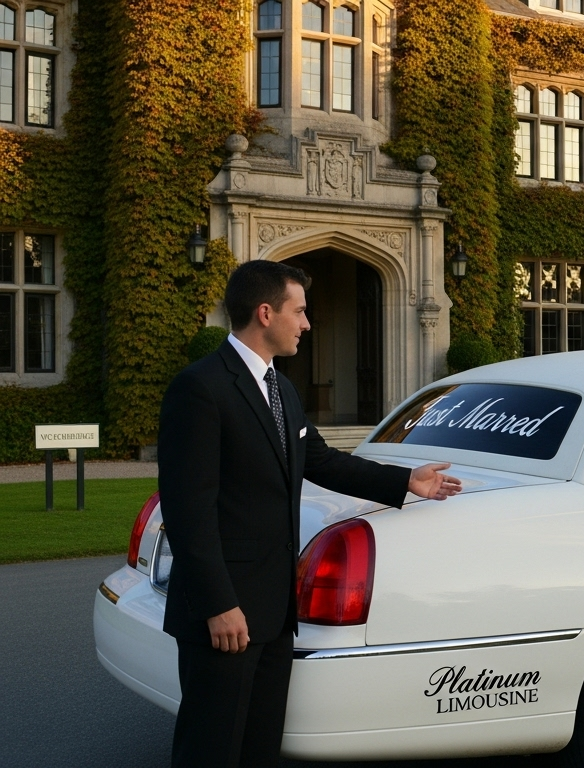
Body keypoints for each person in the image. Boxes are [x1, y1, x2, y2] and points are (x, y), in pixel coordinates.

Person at [158, 259, 463, 767]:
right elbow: (189, 512)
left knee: (259, 747)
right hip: (225, 613)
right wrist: (218, 605)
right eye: (299, 312)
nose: (306, 323)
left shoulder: (282, 387)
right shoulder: (200, 388)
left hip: (275, 614)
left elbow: (320, 460)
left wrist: (405, 481)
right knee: (210, 750)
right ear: (264, 312)